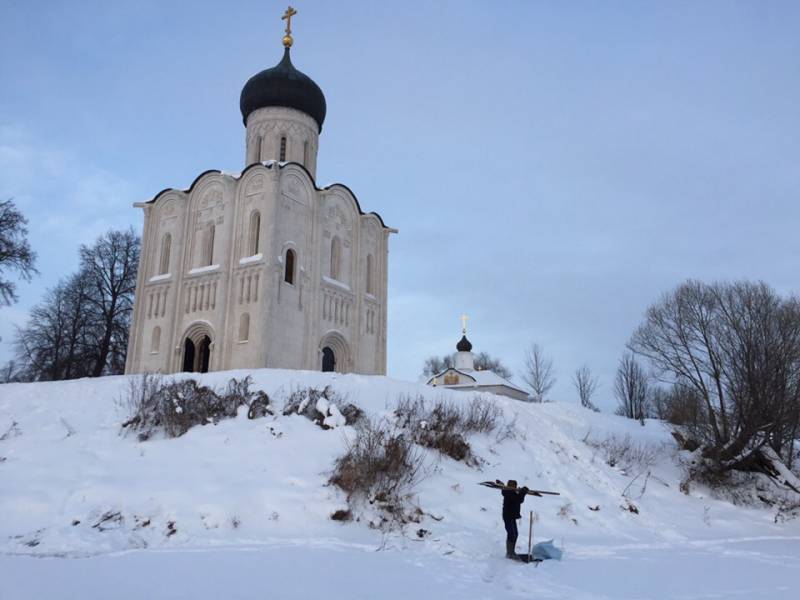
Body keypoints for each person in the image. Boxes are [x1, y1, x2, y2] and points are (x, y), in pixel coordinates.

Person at [502, 479, 529, 559]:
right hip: (508, 516)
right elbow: (518, 499)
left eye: (515, 486)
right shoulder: (508, 492)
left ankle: (511, 552)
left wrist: (521, 492)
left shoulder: (512, 492)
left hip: (511, 516)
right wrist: (523, 492)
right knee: (512, 534)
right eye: (514, 486)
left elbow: (519, 500)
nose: (515, 487)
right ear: (510, 486)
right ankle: (509, 554)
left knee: (515, 534)